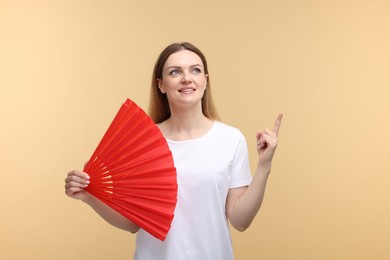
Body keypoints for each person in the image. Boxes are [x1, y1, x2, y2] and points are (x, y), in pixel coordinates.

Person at [65, 42, 283, 260]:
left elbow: (240, 220)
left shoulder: (230, 139)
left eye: (195, 70)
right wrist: (88, 197)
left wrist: (264, 166)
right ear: (161, 84)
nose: (186, 78)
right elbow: (133, 223)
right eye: (175, 72)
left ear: (205, 81)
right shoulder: (142, 142)